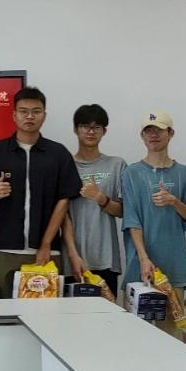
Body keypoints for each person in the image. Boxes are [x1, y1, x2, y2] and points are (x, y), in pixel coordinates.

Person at [0, 86, 81, 371]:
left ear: (44, 115)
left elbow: (64, 201)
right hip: (3, 250)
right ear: (13, 114)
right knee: (2, 323)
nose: (29, 116)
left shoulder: (58, 154)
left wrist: (47, 243)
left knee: (45, 327)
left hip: (45, 253)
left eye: (36, 111)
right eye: (24, 111)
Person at [120, 111, 186, 342]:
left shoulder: (184, 174)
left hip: (174, 267)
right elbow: (131, 219)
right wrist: (144, 258)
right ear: (142, 136)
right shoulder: (131, 173)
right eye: (148, 130)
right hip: (140, 268)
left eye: (159, 130)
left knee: (172, 337)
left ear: (171, 133)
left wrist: (174, 201)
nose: (153, 135)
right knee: (136, 337)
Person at [62, 104, 126, 298]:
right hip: (72, 260)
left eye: (97, 127)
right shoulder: (64, 165)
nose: (91, 132)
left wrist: (100, 198)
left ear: (104, 131)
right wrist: (73, 254)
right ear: (76, 129)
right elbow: (62, 215)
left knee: (107, 315)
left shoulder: (116, 165)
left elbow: (123, 211)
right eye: (85, 126)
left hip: (106, 258)